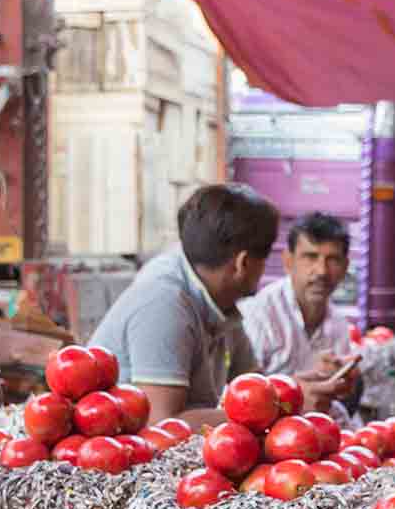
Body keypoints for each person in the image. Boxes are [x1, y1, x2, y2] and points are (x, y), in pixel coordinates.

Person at [90, 182, 276, 425]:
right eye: (264, 259)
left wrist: (294, 391)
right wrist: (270, 414)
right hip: (122, 454)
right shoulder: (164, 302)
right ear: (243, 263)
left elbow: (254, 384)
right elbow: (164, 423)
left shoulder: (221, 302)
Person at [240, 211, 362, 416]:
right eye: (310, 257)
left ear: (345, 267)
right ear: (288, 261)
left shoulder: (338, 324)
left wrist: (341, 382)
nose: (322, 271)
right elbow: (240, 396)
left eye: (332, 259)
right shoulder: (258, 315)